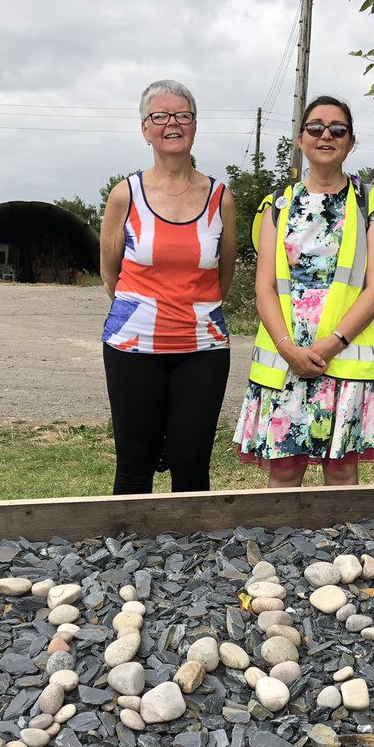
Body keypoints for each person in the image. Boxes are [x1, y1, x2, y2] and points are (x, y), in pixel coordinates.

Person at [234, 96, 374, 487]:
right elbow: (265, 287)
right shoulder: (277, 204)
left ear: (351, 142)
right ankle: (281, 549)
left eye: (337, 129)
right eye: (316, 127)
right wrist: (288, 348)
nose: (326, 135)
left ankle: (341, 550)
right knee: (284, 467)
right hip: (287, 356)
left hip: (346, 353)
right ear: (301, 139)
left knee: (341, 470)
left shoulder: (372, 202)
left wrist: (333, 343)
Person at [99, 79, 236, 494]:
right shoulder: (125, 195)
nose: (171, 124)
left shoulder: (220, 198)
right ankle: (129, 554)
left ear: (195, 125)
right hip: (132, 347)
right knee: (135, 462)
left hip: (202, 348)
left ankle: (192, 554)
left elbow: (222, 276)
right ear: (145, 129)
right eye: (160, 116)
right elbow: (111, 273)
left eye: (182, 115)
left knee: (191, 462)